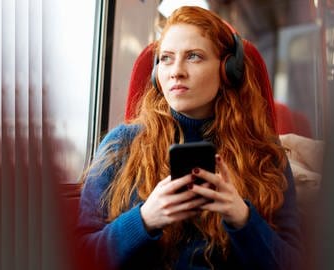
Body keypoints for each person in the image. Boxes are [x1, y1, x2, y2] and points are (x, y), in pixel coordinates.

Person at [77, 6, 302, 270]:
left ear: (228, 69)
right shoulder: (121, 145)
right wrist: (144, 220)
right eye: (166, 58)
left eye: (194, 56)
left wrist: (242, 218)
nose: (176, 71)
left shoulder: (264, 153)